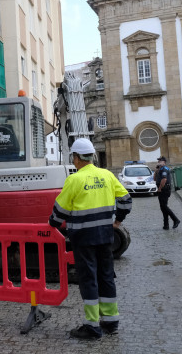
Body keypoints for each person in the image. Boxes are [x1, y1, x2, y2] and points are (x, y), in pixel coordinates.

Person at [48, 138, 132, 340]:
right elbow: (126, 201)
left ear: (76, 158)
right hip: (105, 237)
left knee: (88, 279)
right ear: (92, 156)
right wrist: (117, 221)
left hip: (83, 239)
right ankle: (111, 322)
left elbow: (59, 211)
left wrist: (52, 223)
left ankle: (92, 326)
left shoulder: (74, 180)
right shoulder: (107, 175)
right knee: (106, 276)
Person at [155, 156, 180, 230]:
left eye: (160, 161)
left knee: (164, 206)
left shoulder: (165, 169)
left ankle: (175, 220)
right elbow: (154, 179)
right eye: (158, 161)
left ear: (164, 162)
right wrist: (156, 170)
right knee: (163, 207)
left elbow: (164, 179)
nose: (159, 162)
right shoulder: (160, 169)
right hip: (162, 189)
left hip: (164, 189)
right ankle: (166, 225)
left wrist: (159, 188)